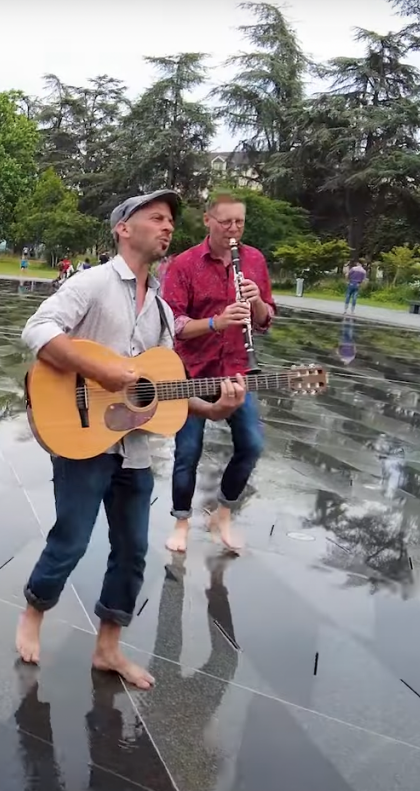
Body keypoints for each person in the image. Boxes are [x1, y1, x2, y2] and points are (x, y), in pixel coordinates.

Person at [14, 190, 247, 689]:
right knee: (72, 539)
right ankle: (34, 610)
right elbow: (37, 329)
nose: (167, 227)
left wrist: (215, 406)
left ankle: (108, 647)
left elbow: (162, 389)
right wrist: (105, 370)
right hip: (82, 435)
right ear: (123, 228)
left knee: (133, 550)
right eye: (156, 218)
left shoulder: (162, 309)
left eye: (169, 221)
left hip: (133, 447)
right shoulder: (93, 284)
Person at [158, 193, 276, 554]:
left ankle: (223, 512)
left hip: (237, 369)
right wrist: (216, 322)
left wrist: (256, 301)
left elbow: (266, 319)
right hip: (192, 372)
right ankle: (181, 521)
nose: (234, 229)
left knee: (252, 445)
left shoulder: (254, 260)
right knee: (187, 452)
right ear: (208, 220)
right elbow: (173, 324)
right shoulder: (184, 264)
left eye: (239, 222)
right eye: (226, 222)